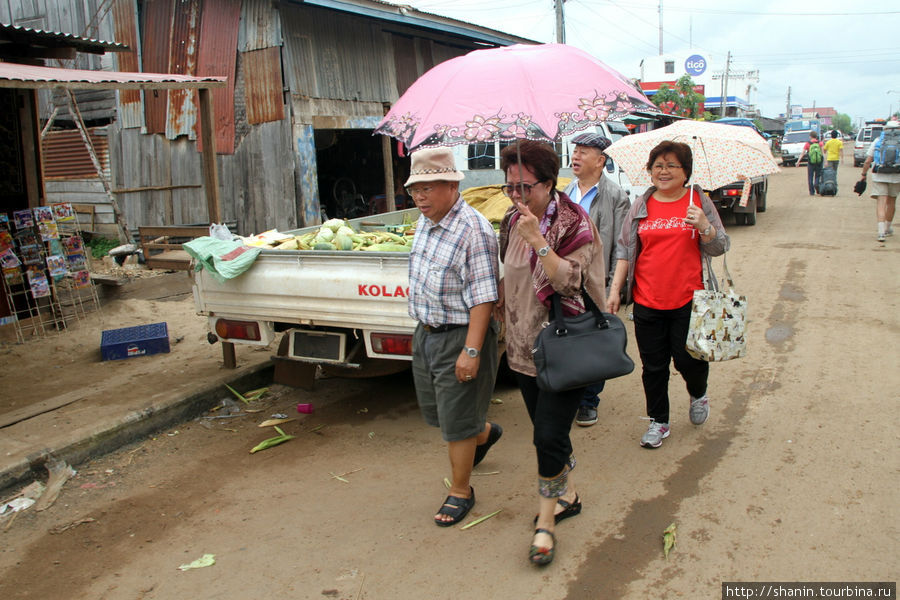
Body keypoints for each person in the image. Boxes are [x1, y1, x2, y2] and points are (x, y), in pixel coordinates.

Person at [497, 140, 608, 566]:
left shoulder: (574, 223)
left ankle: (547, 520)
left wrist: (539, 241)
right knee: (552, 434)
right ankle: (570, 494)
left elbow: (570, 283)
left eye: (524, 187)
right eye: (510, 186)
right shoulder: (510, 218)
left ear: (548, 183)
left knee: (546, 436)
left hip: (565, 348)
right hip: (524, 349)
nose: (515, 196)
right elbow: (510, 274)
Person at [607, 141, 730, 449]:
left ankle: (698, 393)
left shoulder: (698, 201)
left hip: (689, 299)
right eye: (657, 165)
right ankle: (659, 421)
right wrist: (614, 291)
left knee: (688, 360)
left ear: (685, 171)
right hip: (648, 299)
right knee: (654, 366)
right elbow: (624, 248)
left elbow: (721, 246)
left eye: (671, 165)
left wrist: (704, 226)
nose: (663, 171)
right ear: (649, 171)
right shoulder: (641, 204)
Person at [406, 147, 502, 527]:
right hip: (427, 332)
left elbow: (483, 297)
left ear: (450, 185)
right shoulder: (425, 221)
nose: (420, 197)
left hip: (461, 335)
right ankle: (486, 431)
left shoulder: (473, 229)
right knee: (443, 413)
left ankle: (461, 490)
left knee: (457, 422)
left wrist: (472, 350)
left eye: (428, 188)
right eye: (415, 189)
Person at [563, 132, 630, 427]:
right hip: (566, 279)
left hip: (597, 282)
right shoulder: (565, 192)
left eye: (584, 152)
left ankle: (589, 400)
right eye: (575, 150)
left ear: (601, 161)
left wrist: (614, 287)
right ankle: (571, 395)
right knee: (569, 339)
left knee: (595, 341)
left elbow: (622, 246)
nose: (576, 156)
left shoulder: (616, 196)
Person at [859, 120, 899, 242]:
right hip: (897, 175)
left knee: (881, 203)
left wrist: (863, 174)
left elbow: (868, 160)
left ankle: (881, 233)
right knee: (891, 202)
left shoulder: (878, 141)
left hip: (879, 174)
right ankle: (887, 228)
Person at [802, 131, 825, 195]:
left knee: (810, 177)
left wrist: (798, 161)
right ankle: (817, 185)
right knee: (817, 176)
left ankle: (811, 192)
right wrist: (825, 161)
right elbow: (823, 153)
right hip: (819, 162)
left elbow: (802, 153)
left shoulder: (807, 144)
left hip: (810, 163)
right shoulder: (820, 143)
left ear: (810, 136)